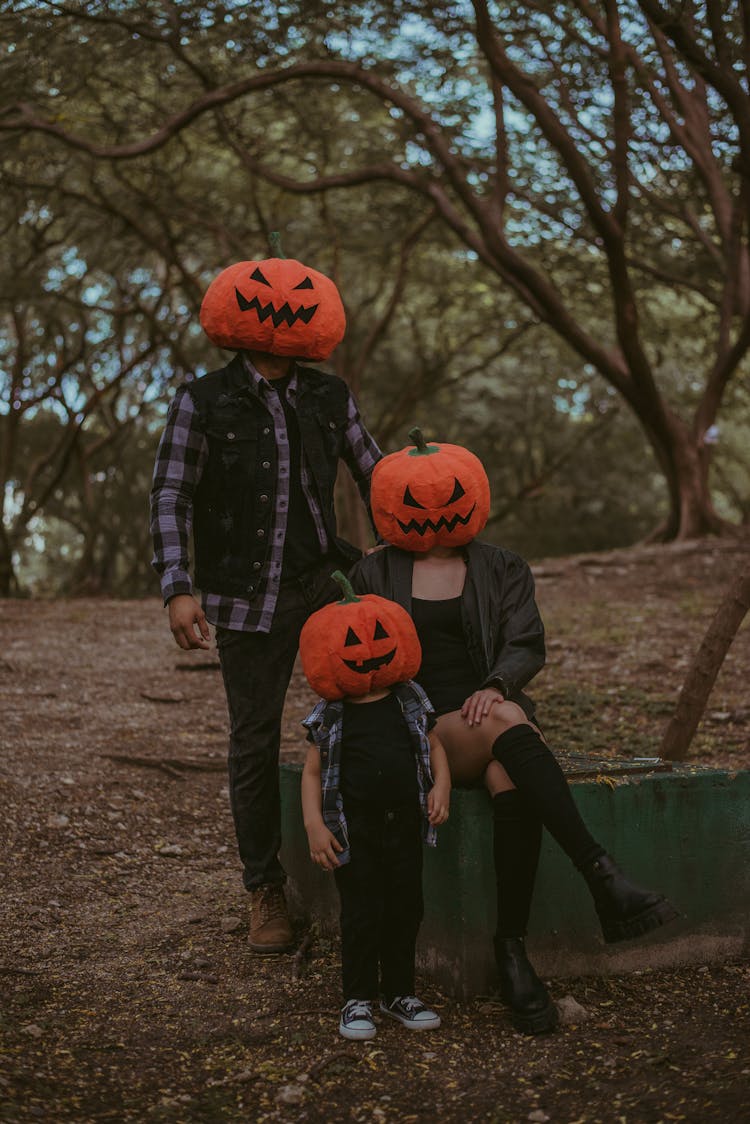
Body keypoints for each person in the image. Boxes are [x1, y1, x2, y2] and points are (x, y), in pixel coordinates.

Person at [349, 428, 678, 1035]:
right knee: (509, 722)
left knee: (511, 773)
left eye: (446, 497)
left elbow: (526, 643)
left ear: (471, 495)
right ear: (391, 505)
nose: (433, 512)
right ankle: (601, 876)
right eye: (416, 503)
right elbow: (355, 660)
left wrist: (496, 683)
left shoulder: (503, 567)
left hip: (488, 718)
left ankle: (511, 949)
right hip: (416, 730)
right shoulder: (374, 573)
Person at [150, 249, 381, 953]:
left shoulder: (329, 396)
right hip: (244, 601)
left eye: (300, 294)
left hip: (322, 587)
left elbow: (373, 471)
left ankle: (365, 866)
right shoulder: (202, 399)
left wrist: (410, 538)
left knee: (366, 722)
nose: (282, 302)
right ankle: (265, 889)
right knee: (252, 742)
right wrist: (178, 587)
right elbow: (171, 492)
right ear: (234, 308)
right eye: (263, 293)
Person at [298, 572, 451, 1040]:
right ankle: (357, 998)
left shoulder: (409, 697)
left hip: (405, 822)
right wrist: (313, 826)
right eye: (351, 641)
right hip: (353, 827)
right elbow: (310, 771)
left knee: (407, 906)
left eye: (379, 636)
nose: (367, 649)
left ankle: (398, 992)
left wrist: (441, 786)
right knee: (362, 910)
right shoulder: (333, 709)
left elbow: (435, 745)